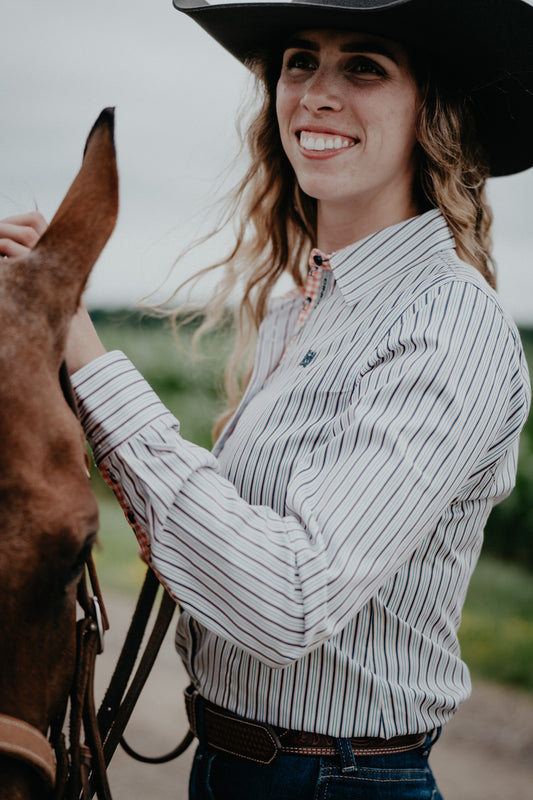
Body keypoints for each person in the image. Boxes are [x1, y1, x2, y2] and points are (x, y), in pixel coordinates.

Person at [2, 0, 532, 796]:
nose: (316, 93)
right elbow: (226, 543)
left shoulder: (447, 324)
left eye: (364, 65)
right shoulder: (301, 310)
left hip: (339, 781)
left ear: (433, 110)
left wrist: (80, 337)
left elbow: (288, 599)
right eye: (298, 61)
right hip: (229, 765)